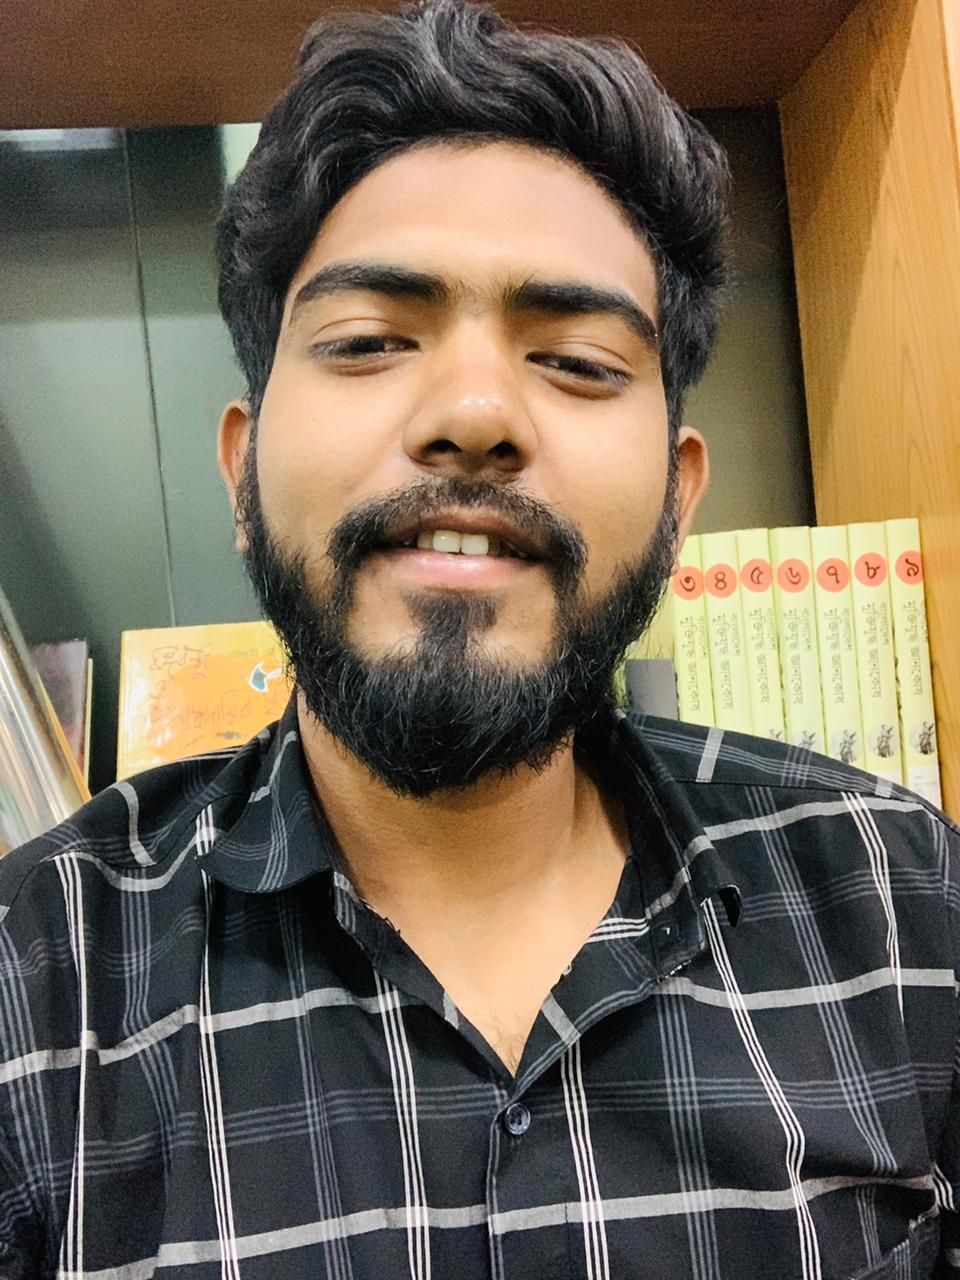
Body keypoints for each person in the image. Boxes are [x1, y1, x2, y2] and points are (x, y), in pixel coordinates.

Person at [1, 0, 958, 1275]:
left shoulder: (903, 899)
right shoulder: (36, 984)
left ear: (679, 499)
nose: (472, 411)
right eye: (368, 341)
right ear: (241, 471)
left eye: (576, 360)